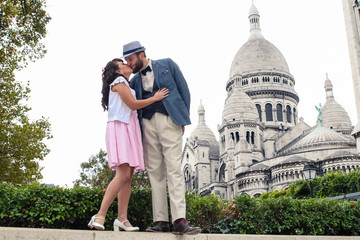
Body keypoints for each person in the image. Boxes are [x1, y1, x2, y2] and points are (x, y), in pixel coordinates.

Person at [123, 41, 201, 235]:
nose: (129, 64)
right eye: (126, 61)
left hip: (169, 120)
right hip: (146, 125)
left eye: (130, 59)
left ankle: (180, 220)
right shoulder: (133, 81)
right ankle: (161, 221)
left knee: (174, 168)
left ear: (141, 54)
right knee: (154, 172)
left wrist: (182, 118)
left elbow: (184, 91)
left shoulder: (167, 64)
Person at [87, 58, 169, 231]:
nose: (127, 64)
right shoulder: (118, 82)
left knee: (128, 176)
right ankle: (100, 215)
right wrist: (155, 98)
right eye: (123, 63)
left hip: (129, 129)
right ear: (117, 71)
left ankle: (122, 219)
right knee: (123, 174)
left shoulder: (126, 84)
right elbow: (132, 105)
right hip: (120, 129)